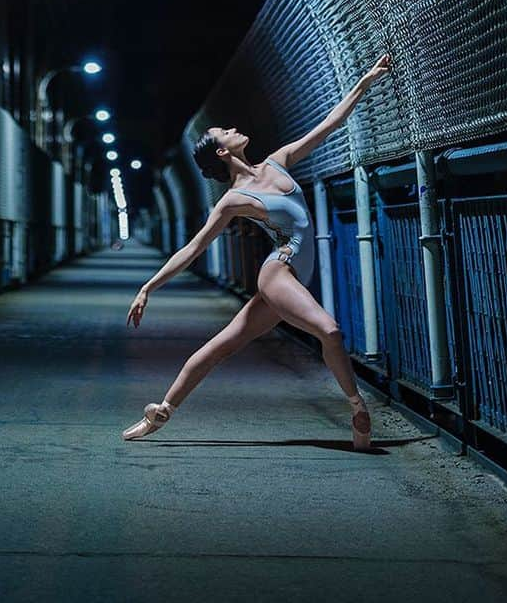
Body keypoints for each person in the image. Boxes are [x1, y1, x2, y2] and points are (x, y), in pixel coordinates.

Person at [122, 54, 393, 449]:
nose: (234, 128)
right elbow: (195, 247)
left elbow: (330, 124)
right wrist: (149, 286)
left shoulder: (278, 161)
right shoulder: (233, 200)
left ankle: (162, 411)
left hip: (292, 275)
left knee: (220, 346)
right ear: (221, 152)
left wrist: (364, 83)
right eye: (225, 131)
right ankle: (358, 409)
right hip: (279, 271)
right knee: (330, 330)